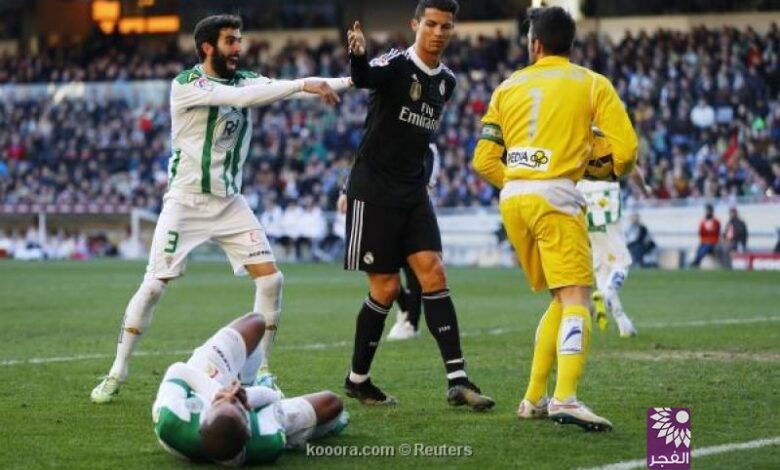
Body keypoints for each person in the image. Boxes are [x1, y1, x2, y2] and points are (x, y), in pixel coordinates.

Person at [91, 14, 352, 403]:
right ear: (207, 47)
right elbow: (245, 99)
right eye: (230, 41)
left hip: (229, 202)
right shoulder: (187, 84)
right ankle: (117, 371)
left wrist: (354, 79)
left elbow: (290, 89)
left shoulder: (244, 78)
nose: (238, 48)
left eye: (239, 40)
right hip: (185, 202)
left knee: (272, 281)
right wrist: (303, 84)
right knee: (153, 286)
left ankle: (262, 371)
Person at [472, 6, 637, 430]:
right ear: (570, 44)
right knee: (578, 297)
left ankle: (533, 398)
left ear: (535, 45)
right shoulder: (592, 83)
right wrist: (600, 166)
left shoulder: (507, 86)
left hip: (513, 200)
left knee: (560, 299)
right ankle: (565, 398)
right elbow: (626, 153)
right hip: (556, 199)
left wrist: (521, 179)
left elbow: (483, 160)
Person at [342, 0, 493, 410]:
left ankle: (458, 380)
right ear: (415, 25)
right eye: (431, 24)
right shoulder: (394, 64)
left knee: (434, 272)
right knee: (386, 288)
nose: (438, 32)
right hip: (373, 192)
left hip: (413, 192)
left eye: (446, 26)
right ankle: (358, 380)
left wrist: (425, 178)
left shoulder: (447, 81)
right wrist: (358, 54)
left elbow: (421, 140)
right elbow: (363, 78)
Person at [153, 312, 349, 465]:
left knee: (255, 323)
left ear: (203, 421)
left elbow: (178, 370)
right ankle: (256, 385)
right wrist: (246, 396)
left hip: (205, 387)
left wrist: (217, 393)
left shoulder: (172, 419)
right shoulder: (265, 439)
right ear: (248, 429)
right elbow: (273, 398)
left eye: (221, 403)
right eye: (235, 404)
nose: (229, 397)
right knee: (332, 404)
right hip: (258, 412)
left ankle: (245, 381)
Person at [577, 137, 639, 338]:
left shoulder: (578, 138)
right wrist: (644, 187)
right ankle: (604, 296)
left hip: (585, 205)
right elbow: (632, 168)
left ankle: (623, 324)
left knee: (603, 271)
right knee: (622, 264)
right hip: (605, 201)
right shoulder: (609, 137)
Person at [691, 203, 721, 267]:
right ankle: (697, 262)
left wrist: (710, 231)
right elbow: (701, 232)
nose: (707, 212)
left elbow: (716, 232)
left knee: (704, 248)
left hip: (713, 242)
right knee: (699, 249)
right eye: (707, 211)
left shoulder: (716, 222)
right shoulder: (703, 222)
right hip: (704, 241)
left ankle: (696, 262)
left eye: (708, 211)